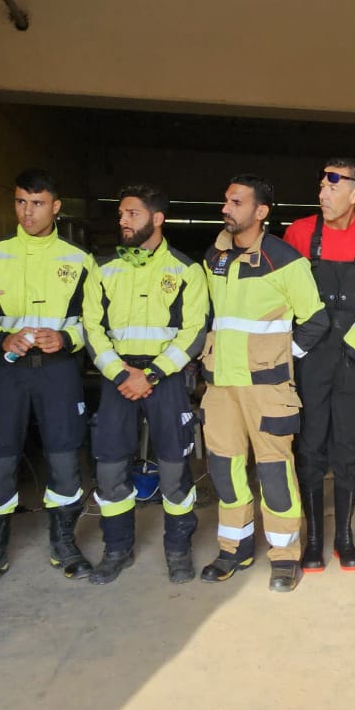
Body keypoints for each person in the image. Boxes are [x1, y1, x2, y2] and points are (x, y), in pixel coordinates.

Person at [0, 170, 97, 592]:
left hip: (59, 372)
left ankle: (65, 545)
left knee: (66, 461)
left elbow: (94, 322)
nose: (27, 211)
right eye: (20, 202)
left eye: (37, 203)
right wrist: (1, 336)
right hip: (7, 370)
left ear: (56, 207)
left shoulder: (79, 259)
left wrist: (68, 338)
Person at [202, 175, 332, 591]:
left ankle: (284, 556)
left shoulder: (285, 261)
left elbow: (316, 321)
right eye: (226, 200)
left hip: (267, 389)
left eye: (237, 202)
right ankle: (233, 549)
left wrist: (282, 359)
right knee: (225, 471)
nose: (227, 208)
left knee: (275, 473)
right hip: (221, 388)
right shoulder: (215, 257)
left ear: (260, 212)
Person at [80, 185, 210, 583]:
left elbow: (194, 332)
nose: (123, 221)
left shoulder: (186, 270)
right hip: (117, 379)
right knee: (111, 469)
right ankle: (117, 549)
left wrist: (150, 374)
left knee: (174, 470)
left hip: (164, 380)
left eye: (132, 214)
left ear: (157, 219)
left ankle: (178, 549)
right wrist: (122, 374)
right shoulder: (102, 270)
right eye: (121, 214)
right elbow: (92, 329)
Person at [283, 159, 355, 571]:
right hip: (312, 355)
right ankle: (313, 541)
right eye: (321, 186)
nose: (323, 194)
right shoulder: (299, 232)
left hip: (353, 357)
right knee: (309, 445)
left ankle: (344, 538)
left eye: (333, 186)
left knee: (347, 445)